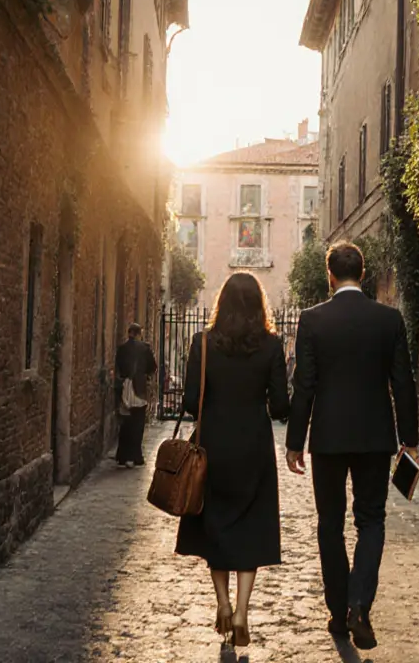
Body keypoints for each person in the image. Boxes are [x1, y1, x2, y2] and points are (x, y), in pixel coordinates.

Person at [285, 241, 419, 651]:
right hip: (375, 437)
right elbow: (403, 383)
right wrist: (409, 440)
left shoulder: (312, 320)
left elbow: (304, 384)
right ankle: (359, 604)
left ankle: (338, 610)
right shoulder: (389, 320)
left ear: (329, 275)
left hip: (328, 437)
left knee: (330, 523)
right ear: (363, 274)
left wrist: (295, 442)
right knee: (371, 520)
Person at [175, 272, 290, 648]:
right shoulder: (271, 346)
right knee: (250, 527)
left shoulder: (203, 343)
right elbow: (280, 406)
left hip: (213, 445)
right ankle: (241, 611)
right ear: (259, 305)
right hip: (253, 446)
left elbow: (190, 401)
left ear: (221, 303)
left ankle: (222, 604)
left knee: (216, 525)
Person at [114, 322, 157, 467]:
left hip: (125, 388)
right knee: (138, 424)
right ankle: (135, 456)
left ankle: (122, 456)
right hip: (139, 389)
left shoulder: (121, 349)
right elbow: (152, 367)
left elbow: (119, 368)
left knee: (126, 423)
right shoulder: (145, 348)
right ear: (139, 334)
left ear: (129, 333)